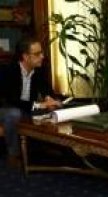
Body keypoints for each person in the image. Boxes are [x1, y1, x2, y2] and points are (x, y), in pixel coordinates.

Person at [0, 36, 61, 168]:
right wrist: (39, 105)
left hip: (27, 108)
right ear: (26, 57)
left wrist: (49, 99)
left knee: (53, 110)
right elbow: (12, 100)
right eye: (37, 54)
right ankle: (13, 155)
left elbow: (47, 89)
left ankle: (47, 146)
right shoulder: (8, 71)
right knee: (14, 114)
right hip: (7, 108)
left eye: (42, 53)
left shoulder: (39, 69)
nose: (42, 56)